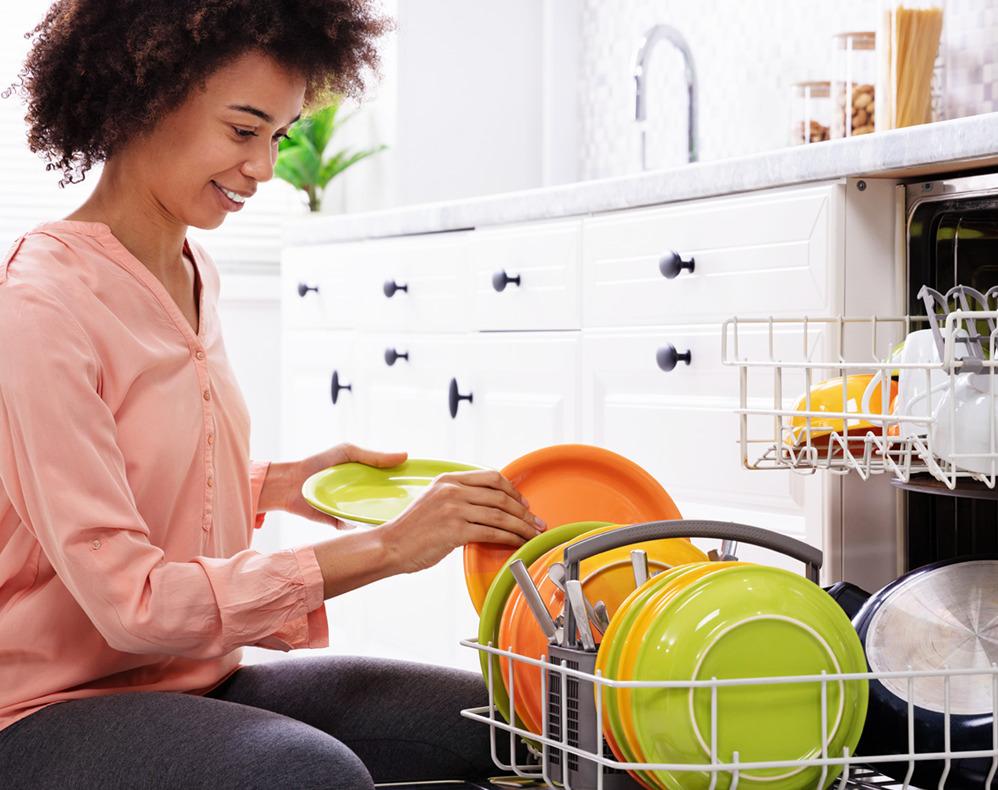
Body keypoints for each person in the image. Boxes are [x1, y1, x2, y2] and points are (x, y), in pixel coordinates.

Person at [0, 2, 544, 787]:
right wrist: (387, 549)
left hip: (197, 679)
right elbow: (131, 602)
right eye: (243, 130)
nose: (264, 165)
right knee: (309, 774)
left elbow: (122, 476)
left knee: (522, 724)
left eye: (279, 136)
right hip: (42, 708)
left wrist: (283, 485)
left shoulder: (191, 270)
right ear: (142, 99)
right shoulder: (38, 304)